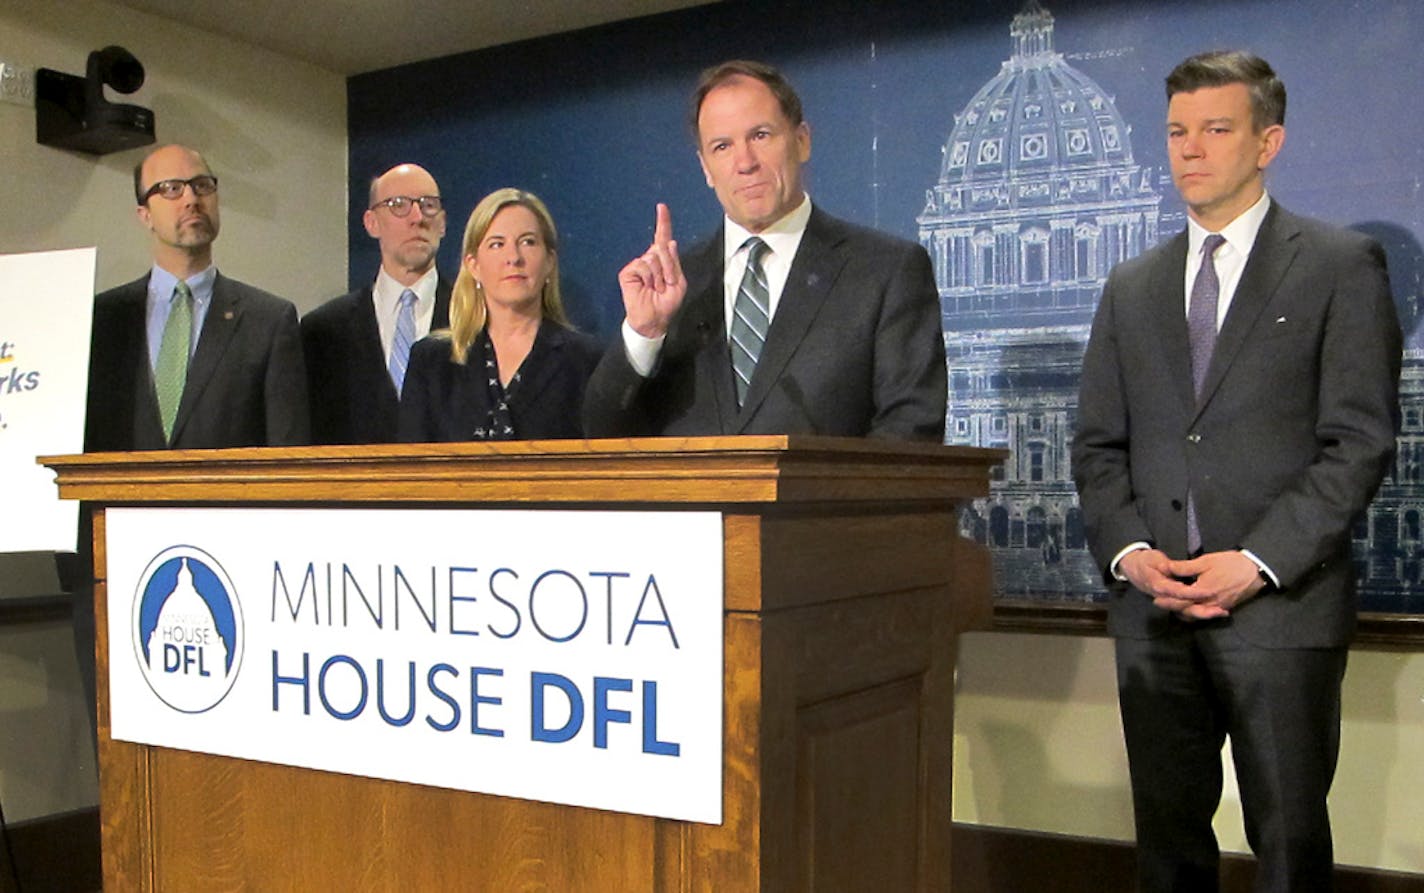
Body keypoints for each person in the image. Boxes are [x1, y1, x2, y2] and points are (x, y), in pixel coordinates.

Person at [1071, 51, 1401, 892]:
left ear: (1268, 142)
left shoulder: (1338, 266)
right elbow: (1098, 447)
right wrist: (1130, 552)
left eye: (1216, 129)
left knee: (1288, 846)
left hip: (1281, 614)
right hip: (1155, 614)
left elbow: (1358, 442)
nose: (1191, 149)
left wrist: (1255, 563)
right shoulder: (1130, 286)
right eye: (1178, 131)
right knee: (1168, 849)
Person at [581, 59, 945, 440]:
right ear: (706, 168)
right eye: (722, 146)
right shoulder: (675, 284)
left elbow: (911, 431)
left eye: (760, 136)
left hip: (827, 500)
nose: (745, 163)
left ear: (802, 140)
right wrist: (645, 332)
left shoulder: (885, 269)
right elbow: (602, 432)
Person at [79, 143, 309, 740]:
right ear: (143, 213)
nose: (191, 199)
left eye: (202, 184)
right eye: (171, 189)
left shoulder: (268, 319)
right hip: (115, 574)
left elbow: (288, 460)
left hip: (233, 581)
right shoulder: (99, 323)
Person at [397, 188, 600, 441]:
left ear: (549, 261)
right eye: (497, 244)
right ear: (473, 265)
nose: (513, 258)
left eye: (528, 242)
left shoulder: (585, 361)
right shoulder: (431, 361)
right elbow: (409, 470)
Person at [303, 163, 451, 443]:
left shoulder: (479, 318)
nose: (417, 217)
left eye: (428, 205)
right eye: (399, 205)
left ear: (442, 224)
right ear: (371, 223)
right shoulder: (322, 331)